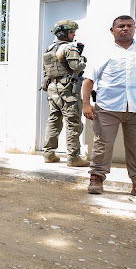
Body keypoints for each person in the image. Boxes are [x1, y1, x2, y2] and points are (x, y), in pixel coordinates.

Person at [82, 15, 136, 195]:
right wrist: (86, 104)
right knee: (102, 145)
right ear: (112, 31)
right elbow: (89, 81)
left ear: (134, 29)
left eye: (129, 25)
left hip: (135, 108)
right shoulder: (102, 53)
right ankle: (96, 178)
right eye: (121, 26)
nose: (125, 28)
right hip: (107, 108)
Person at [40, 19, 89, 166]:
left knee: (54, 120)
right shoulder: (68, 47)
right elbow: (77, 67)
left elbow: (46, 71)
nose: (74, 35)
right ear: (63, 33)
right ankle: (73, 158)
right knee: (73, 122)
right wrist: (82, 56)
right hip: (67, 90)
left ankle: (49, 154)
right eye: (72, 32)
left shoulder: (49, 49)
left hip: (52, 89)